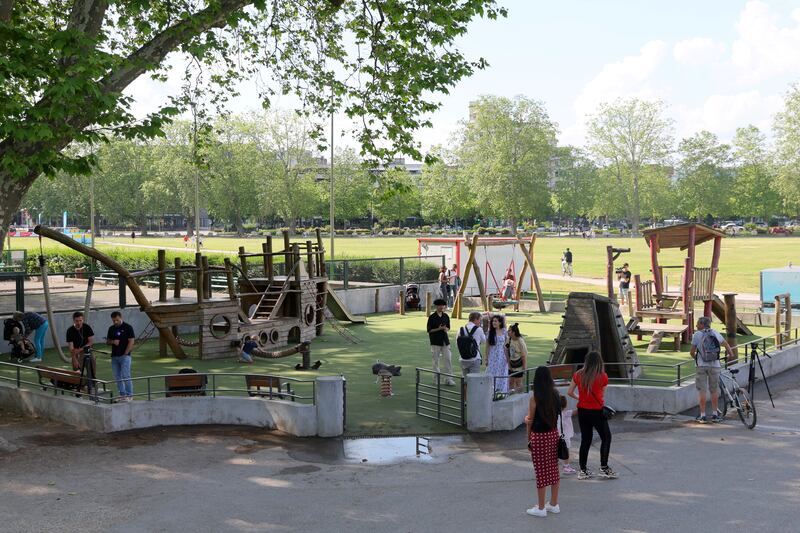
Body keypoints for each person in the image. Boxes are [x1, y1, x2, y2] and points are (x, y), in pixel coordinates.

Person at [567, 350, 618, 480]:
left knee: (586, 440)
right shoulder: (603, 376)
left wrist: (581, 398)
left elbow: (570, 392)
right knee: (606, 437)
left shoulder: (578, 374)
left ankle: (583, 470)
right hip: (596, 411)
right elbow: (602, 396)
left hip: (582, 411)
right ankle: (604, 467)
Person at [524, 366, 562, 517]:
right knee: (553, 469)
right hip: (553, 435)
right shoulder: (556, 395)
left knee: (541, 472)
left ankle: (541, 508)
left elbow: (530, 421)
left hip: (539, 437)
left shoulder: (535, 397)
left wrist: (529, 440)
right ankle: (553, 503)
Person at [691, 316, 732, 424]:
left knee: (702, 390)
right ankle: (715, 414)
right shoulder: (715, 333)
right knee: (714, 390)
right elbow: (726, 344)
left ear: (701, 324)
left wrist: (697, 358)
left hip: (701, 366)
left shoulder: (697, 335)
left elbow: (692, 352)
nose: (696, 326)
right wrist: (730, 354)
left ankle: (703, 415)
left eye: (697, 324)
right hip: (715, 365)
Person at [106, 311, 135, 400]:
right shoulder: (111, 328)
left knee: (126, 375)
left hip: (125, 356)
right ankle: (122, 395)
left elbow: (131, 341)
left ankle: (129, 395)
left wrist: (126, 353)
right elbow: (107, 341)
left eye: (117, 320)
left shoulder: (128, 327)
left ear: (121, 317)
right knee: (117, 376)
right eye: (113, 320)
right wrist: (113, 342)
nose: (115, 322)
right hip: (114, 356)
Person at [426, 298, 454, 386]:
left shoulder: (446, 316)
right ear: (436, 306)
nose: (442, 307)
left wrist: (446, 329)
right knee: (435, 361)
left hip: (445, 341)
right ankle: (436, 379)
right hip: (435, 342)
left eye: (443, 305)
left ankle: (448, 379)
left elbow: (448, 327)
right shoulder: (432, 317)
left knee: (448, 360)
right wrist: (439, 328)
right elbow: (429, 330)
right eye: (440, 305)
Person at [457, 311, 487, 377]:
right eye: (479, 320)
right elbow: (484, 341)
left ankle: (464, 387)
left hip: (463, 358)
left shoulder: (460, 329)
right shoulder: (479, 329)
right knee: (474, 381)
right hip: (475, 358)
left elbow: (458, 343)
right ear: (476, 319)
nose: (480, 322)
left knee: (465, 380)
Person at [486, 314, 508, 395]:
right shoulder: (490, 332)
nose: (493, 323)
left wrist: (507, 358)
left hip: (502, 356)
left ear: (500, 322)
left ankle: (501, 392)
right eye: (493, 321)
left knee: (502, 373)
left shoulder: (504, 331)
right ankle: (491, 392)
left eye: (495, 321)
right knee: (492, 373)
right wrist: (486, 358)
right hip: (493, 356)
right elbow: (487, 347)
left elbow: (506, 346)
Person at [506, 322, 527, 392]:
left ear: (514, 332)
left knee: (518, 382)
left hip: (519, 365)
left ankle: (519, 397)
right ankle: (511, 396)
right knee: (510, 382)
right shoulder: (509, 339)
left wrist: (524, 368)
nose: (507, 332)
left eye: (509, 330)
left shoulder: (520, 341)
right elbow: (506, 350)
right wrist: (508, 363)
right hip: (511, 364)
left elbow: (524, 356)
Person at [559, 395, 576, 474]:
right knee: (566, 451)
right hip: (565, 437)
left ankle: (555, 466)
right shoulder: (566, 413)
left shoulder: (555, 414)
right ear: (565, 404)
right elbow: (577, 410)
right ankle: (566, 466)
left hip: (556, 436)